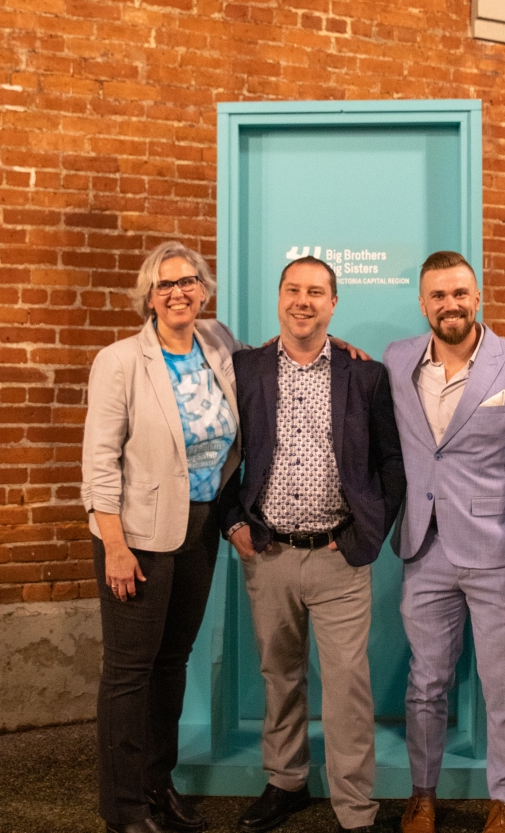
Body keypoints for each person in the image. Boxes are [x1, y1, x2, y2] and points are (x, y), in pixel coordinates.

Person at [383, 251, 505, 833]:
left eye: (460, 293)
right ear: (422, 303)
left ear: (477, 297)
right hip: (424, 547)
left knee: (503, 684)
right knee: (425, 683)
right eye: (439, 295)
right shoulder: (396, 360)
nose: (451, 305)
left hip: (498, 549)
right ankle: (422, 794)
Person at [219, 255, 407, 833]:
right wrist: (232, 522)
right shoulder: (244, 368)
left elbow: (391, 462)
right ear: (280, 297)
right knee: (280, 676)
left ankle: (355, 808)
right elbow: (220, 451)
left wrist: (365, 535)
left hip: (338, 558)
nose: (303, 301)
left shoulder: (366, 375)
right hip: (269, 554)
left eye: (316, 292)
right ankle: (286, 781)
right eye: (294, 290)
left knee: (348, 687)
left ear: (333, 303)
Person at [81, 240, 243, 833]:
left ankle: (157, 784)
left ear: (203, 289)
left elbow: (272, 364)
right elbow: (99, 463)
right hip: (137, 535)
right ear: (148, 297)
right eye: (165, 284)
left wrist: (337, 346)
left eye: (188, 281)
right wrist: (115, 546)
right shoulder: (120, 361)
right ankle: (123, 808)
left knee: (172, 663)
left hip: (200, 525)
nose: (178, 292)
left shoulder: (218, 342)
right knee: (130, 673)